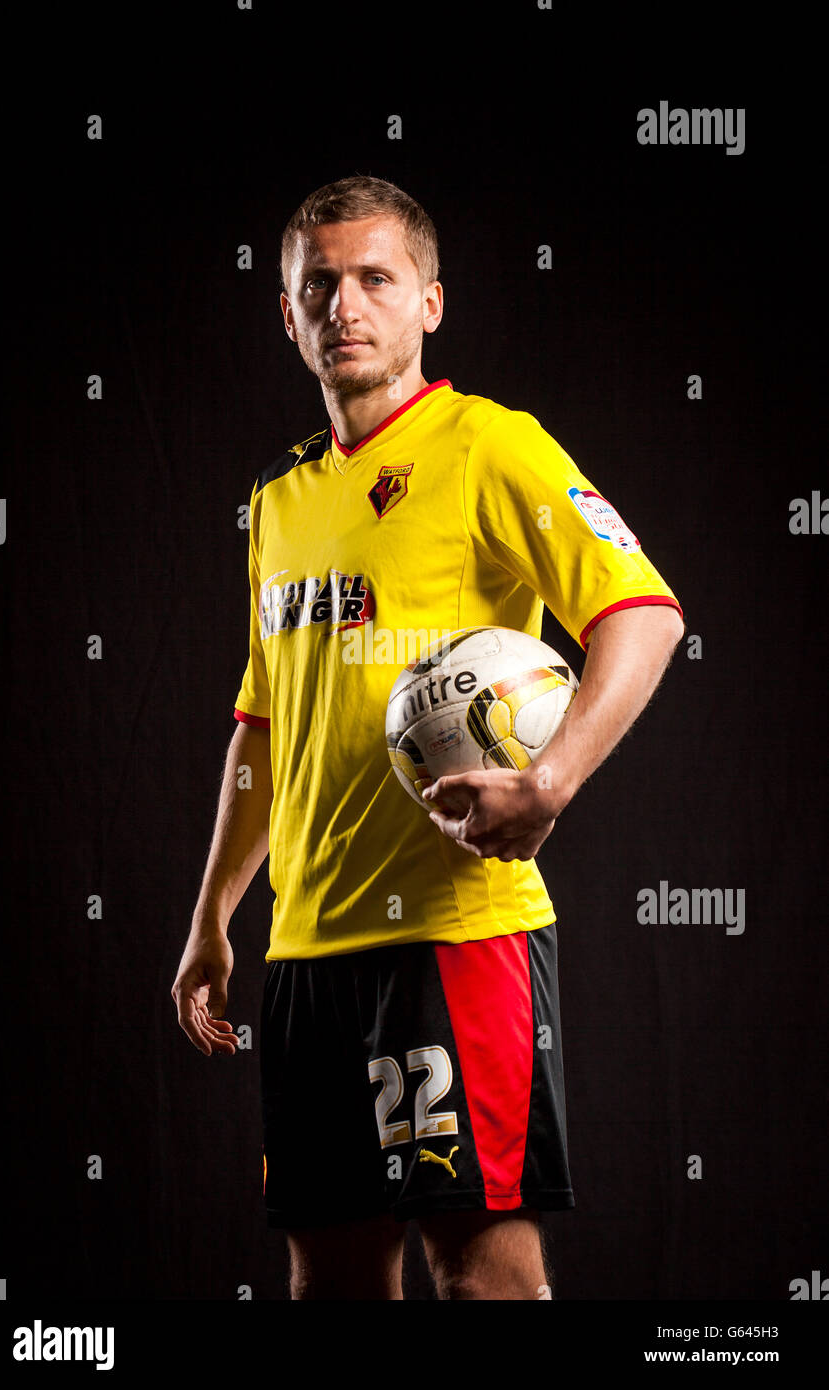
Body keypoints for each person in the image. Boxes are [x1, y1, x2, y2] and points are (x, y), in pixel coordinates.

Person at [172, 175, 685, 1301]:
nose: (344, 305)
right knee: (334, 1275)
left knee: (481, 1267)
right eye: (319, 285)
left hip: (453, 940)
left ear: (429, 302)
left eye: (373, 279)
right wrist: (214, 915)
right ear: (286, 313)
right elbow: (263, 724)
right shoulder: (277, 498)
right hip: (305, 950)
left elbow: (643, 614)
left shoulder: (490, 446)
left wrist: (547, 781)